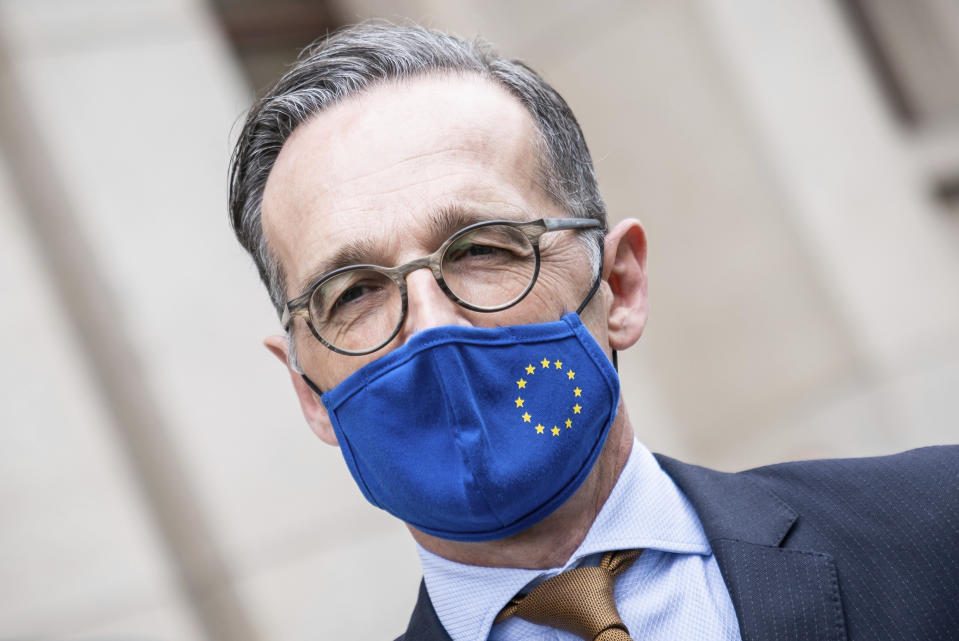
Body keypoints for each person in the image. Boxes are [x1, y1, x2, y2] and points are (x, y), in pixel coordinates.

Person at [228, 23, 958, 641]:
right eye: (351, 291)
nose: (430, 325)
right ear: (308, 391)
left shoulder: (937, 530)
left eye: (481, 248)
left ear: (620, 285)